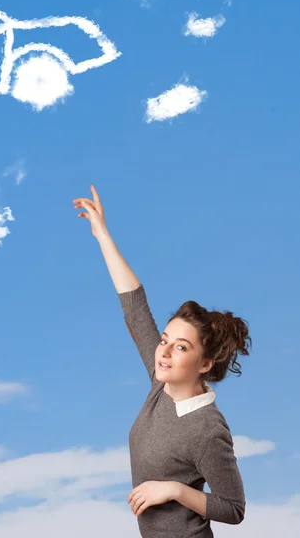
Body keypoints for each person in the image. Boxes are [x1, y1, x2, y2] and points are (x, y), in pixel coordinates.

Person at [73, 185, 251, 538]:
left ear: (205, 364)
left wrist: (174, 490)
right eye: (165, 341)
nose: (164, 351)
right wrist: (102, 235)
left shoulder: (207, 429)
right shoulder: (161, 382)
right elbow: (135, 306)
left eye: (181, 347)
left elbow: (234, 509)